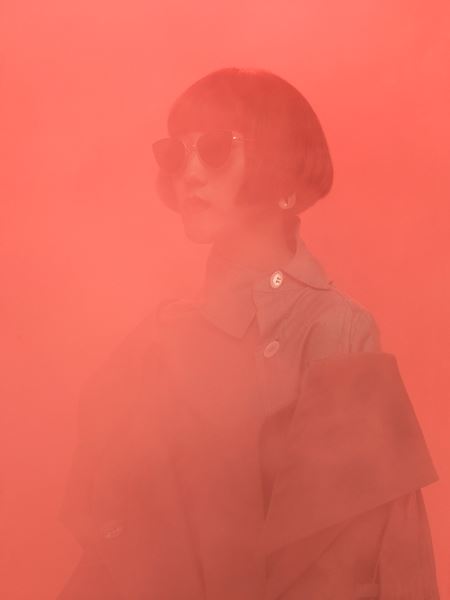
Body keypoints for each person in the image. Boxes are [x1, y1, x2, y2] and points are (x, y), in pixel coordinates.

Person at [58, 67, 440, 599]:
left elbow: (361, 560)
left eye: (214, 149)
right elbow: (111, 547)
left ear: (278, 167)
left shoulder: (336, 328)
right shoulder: (155, 342)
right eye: (175, 154)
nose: (189, 174)